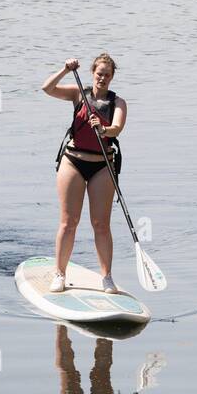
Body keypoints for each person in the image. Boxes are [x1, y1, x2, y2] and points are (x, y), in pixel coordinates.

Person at [42, 54, 127, 294]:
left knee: (101, 224)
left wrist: (104, 129)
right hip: (73, 162)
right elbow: (47, 88)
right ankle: (59, 274)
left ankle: (107, 278)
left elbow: (117, 128)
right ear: (92, 73)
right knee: (69, 222)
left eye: (107, 75)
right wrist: (65, 69)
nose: (102, 78)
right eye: (99, 74)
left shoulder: (118, 102)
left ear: (112, 78)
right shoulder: (78, 92)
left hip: (102, 165)